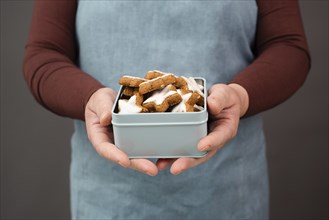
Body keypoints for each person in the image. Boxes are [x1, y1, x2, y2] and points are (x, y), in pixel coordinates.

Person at [23, 0, 310, 219]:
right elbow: (44, 53)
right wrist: (91, 98)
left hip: (229, 190)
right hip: (108, 197)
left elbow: (287, 45)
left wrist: (239, 96)